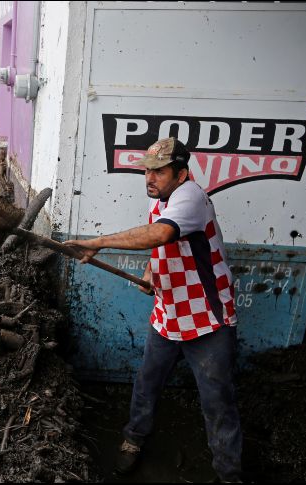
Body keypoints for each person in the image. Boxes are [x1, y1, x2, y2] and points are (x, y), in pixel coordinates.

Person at [63, 137, 242, 482]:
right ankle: (133, 439)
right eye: (147, 170)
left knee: (217, 399)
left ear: (181, 173)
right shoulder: (161, 197)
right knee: (147, 382)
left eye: (159, 171)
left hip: (207, 318)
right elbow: (162, 246)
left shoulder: (191, 197)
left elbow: (160, 234)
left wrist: (99, 242)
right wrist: (150, 272)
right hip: (168, 311)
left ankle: (229, 474)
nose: (149, 177)